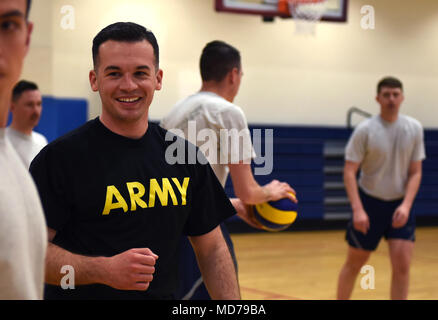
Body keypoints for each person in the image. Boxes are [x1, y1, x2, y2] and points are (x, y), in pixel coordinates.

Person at [30, 22, 240, 300]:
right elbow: (30, 253)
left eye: (140, 73)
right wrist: (102, 270)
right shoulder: (59, 160)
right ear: (95, 79)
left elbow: (212, 249)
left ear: (158, 78)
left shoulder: (185, 156)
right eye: (114, 73)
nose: (128, 85)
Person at [160, 40, 296, 299]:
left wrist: (229, 204)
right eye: (241, 75)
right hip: (201, 233)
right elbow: (248, 191)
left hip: (167, 228)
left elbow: (183, 189)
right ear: (233, 74)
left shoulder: (173, 114)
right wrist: (269, 191)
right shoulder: (228, 112)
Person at [337, 76, 425, 300]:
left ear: (402, 97)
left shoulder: (414, 128)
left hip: (400, 205)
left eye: (396, 94)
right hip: (369, 204)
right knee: (355, 264)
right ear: (377, 98)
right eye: (386, 95)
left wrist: (406, 205)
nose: (391, 99)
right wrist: (358, 209)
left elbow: (416, 172)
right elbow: (349, 171)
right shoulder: (365, 130)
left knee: (402, 266)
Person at [0, 0, 47, 299]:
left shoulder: (16, 166)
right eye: (29, 104)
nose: (35, 110)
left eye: (7, 25)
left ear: (27, 38)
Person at [7, 80, 48, 168]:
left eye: (39, 104)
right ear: (12, 107)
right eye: (29, 105)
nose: (36, 111)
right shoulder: (4, 141)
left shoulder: (41, 141)